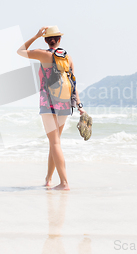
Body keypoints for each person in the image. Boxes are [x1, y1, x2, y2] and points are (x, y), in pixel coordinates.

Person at [17, 26, 85, 190]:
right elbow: (73, 82)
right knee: (55, 143)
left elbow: (20, 51)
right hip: (65, 103)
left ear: (46, 39)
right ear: (59, 39)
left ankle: (64, 183)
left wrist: (35, 36)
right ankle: (48, 179)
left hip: (48, 104)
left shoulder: (43, 54)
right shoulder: (67, 58)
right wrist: (80, 105)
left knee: (54, 143)